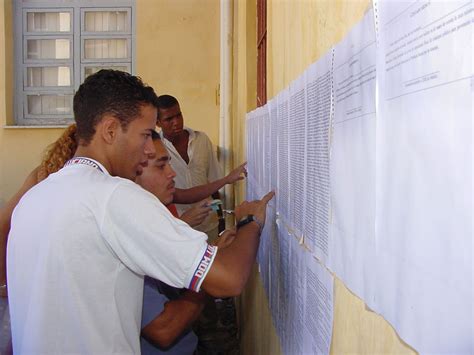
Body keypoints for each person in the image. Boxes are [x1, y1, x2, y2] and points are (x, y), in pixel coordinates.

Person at [7, 69, 273, 354]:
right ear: (109, 130)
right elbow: (229, 279)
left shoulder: (34, 199)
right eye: (145, 135)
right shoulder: (114, 196)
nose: (148, 149)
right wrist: (250, 222)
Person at [156, 94, 224, 243]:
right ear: (158, 122)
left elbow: (213, 184)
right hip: (180, 229)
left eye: (178, 115)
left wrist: (221, 218)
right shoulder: (156, 150)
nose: (176, 122)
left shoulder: (202, 140)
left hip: (210, 224)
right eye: (169, 119)